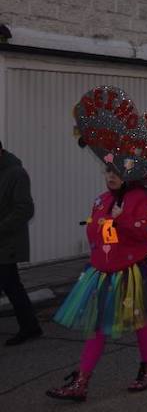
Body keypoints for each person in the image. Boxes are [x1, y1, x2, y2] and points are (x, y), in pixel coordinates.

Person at [47, 166, 147, 401]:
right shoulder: (102, 199)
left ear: (130, 174)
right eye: (108, 171)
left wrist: (122, 219)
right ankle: (81, 383)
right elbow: (97, 233)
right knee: (98, 326)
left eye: (117, 172)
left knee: (140, 320)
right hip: (103, 271)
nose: (111, 176)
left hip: (133, 271)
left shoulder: (141, 199)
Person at [0, 140, 42, 347]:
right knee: (10, 284)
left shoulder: (16, 173)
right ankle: (30, 326)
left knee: (11, 285)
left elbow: (25, 209)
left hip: (7, 241)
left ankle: (30, 327)